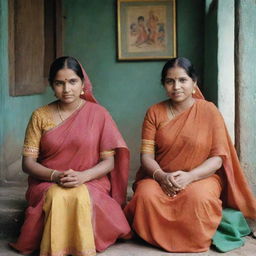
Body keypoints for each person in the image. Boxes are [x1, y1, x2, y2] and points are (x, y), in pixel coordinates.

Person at [124, 57, 256, 253]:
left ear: (194, 82)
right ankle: (155, 237)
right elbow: (146, 158)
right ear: (164, 84)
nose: (176, 86)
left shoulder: (209, 111)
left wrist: (190, 177)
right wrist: (162, 177)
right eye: (170, 81)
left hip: (201, 177)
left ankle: (192, 239)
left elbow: (218, 158)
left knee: (198, 198)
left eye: (183, 80)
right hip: (162, 177)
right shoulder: (154, 112)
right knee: (145, 195)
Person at [9, 56, 131, 256]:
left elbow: (109, 162)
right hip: (48, 180)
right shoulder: (40, 116)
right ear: (51, 85)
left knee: (80, 195)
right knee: (57, 196)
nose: (67, 89)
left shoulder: (98, 114)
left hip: (92, 180)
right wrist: (56, 175)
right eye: (59, 83)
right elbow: (28, 164)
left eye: (73, 82)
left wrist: (83, 176)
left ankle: (82, 248)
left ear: (83, 83)